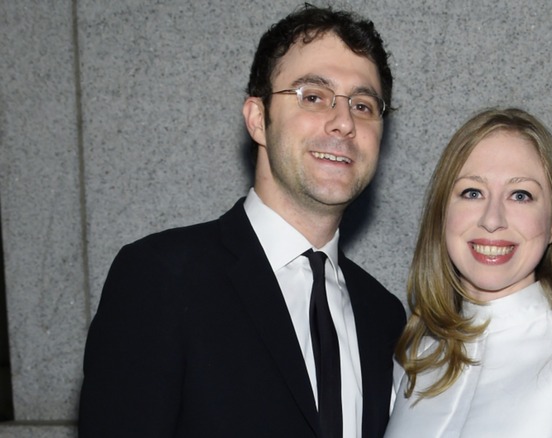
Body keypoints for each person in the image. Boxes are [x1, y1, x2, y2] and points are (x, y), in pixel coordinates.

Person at [78, 5, 406, 437]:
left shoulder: (383, 315)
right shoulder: (161, 279)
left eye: (363, 105)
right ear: (257, 119)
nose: (344, 121)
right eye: (313, 96)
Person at [384, 108, 552, 437]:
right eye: (472, 192)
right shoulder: (415, 358)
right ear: (442, 214)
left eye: (520, 195)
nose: (492, 219)